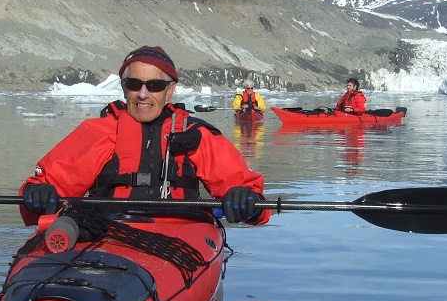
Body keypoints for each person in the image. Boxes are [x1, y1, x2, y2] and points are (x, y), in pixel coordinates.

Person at [20, 46, 269, 225]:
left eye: (155, 86)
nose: (142, 94)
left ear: (170, 91)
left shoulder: (195, 134)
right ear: (123, 87)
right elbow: (35, 202)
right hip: (107, 232)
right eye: (134, 84)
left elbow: (256, 204)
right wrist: (37, 197)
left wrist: (247, 200)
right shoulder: (98, 132)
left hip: (182, 237)